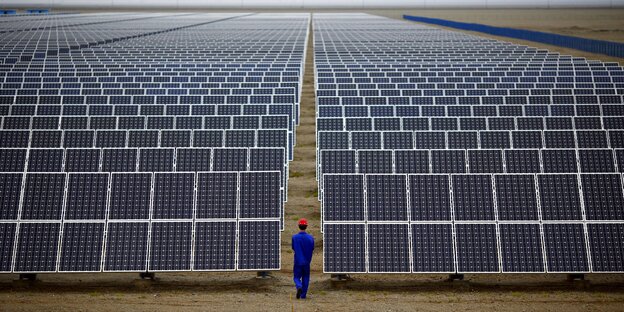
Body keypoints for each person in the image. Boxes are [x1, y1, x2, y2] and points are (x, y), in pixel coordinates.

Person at [292, 218, 314, 299]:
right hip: (307, 262)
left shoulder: (295, 237)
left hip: (298, 261)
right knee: (306, 277)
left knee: (296, 277)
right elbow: (312, 248)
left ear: (299, 226)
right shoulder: (310, 238)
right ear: (306, 226)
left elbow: (293, 248)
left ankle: (299, 286)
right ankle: (303, 295)